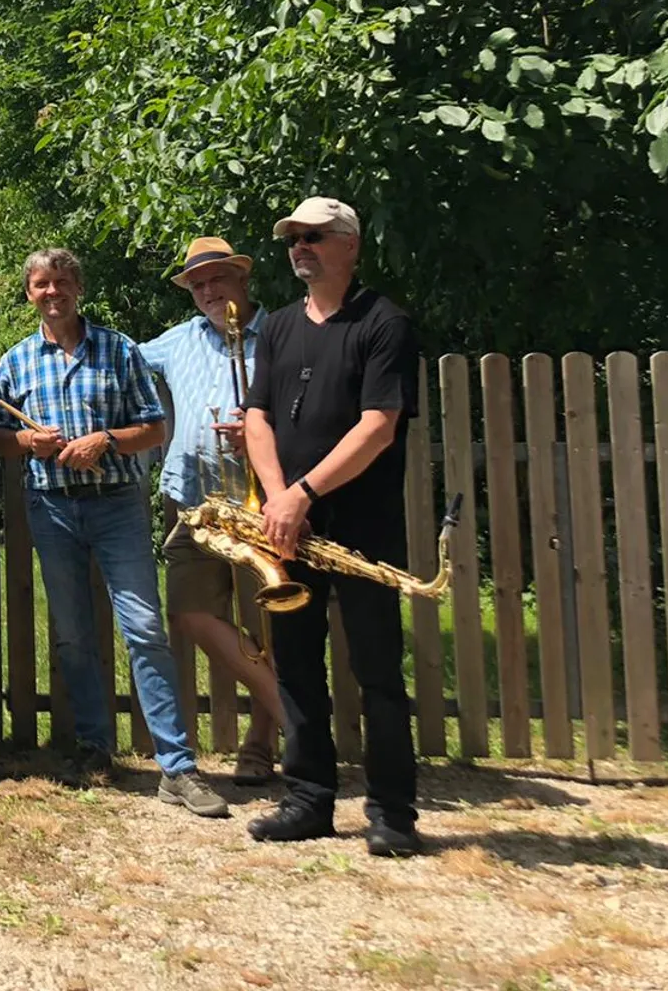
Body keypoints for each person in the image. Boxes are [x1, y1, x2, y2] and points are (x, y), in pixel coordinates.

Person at [0, 249, 228, 818]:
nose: (54, 293)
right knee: (72, 634)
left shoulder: (118, 349)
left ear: (78, 287)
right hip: (50, 507)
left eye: (63, 282)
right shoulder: (17, 360)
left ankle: (177, 765)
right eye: (43, 284)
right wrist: (28, 444)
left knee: (144, 627)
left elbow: (154, 427)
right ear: (30, 293)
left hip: (117, 504)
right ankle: (95, 749)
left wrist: (106, 441)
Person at [243, 197, 423, 857]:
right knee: (295, 668)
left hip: (362, 527)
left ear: (350, 245)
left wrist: (303, 492)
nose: (301, 247)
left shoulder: (384, 323)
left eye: (315, 237)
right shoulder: (280, 326)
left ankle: (393, 813)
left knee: (377, 671)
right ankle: (309, 800)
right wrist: (276, 496)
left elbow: (378, 426)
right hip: (288, 528)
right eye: (293, 238)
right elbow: (257, 415)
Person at [138, 236, 287, 786]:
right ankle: (292, 717)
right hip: (194, 499)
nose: (206, 290)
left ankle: (261, 743)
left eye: (217, 279)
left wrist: (265, 435)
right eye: (197, 284)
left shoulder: (281, 335)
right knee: (190, 611)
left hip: (265, 502)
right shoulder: (177, 342)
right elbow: (118, 359)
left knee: (266, 624)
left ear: (242, 280)